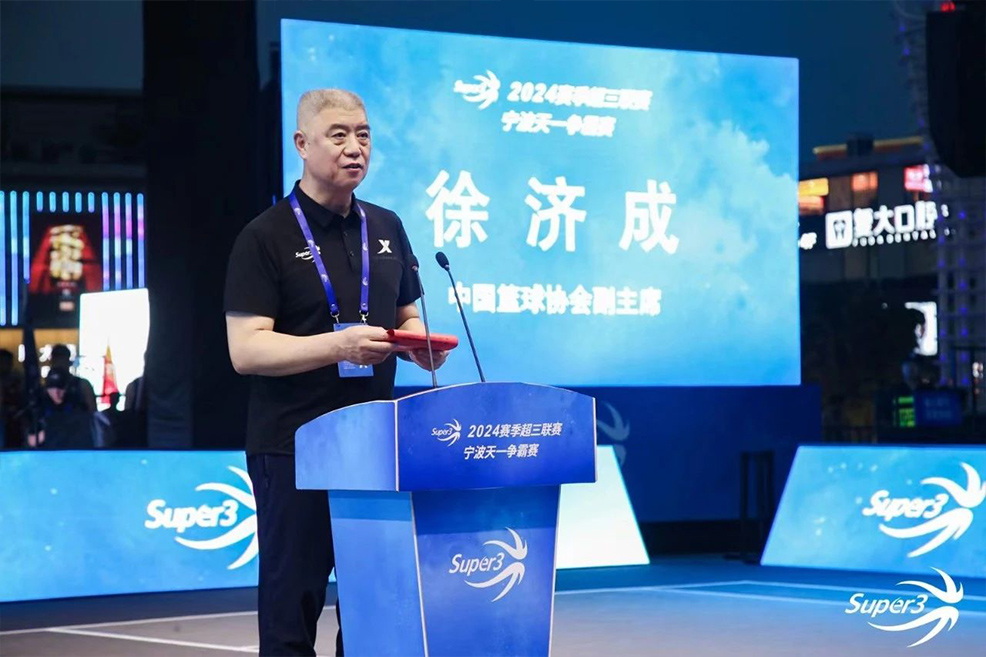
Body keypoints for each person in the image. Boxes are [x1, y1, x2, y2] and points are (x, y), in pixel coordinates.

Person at [224, 88, 448, 657]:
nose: (355, 148)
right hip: (294, 447)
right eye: (339, 135)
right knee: (292, 604)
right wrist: (337, 346)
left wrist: (417, 345)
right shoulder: (265, 235)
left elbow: (406, 314)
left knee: (374, 605)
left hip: (376, 443)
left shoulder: (387, 226)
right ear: (302, 144)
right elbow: (246, 351)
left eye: (364, 135)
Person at [26, 368, 94, 449]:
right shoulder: (40, 407)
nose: (56, 393)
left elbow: (84, 432)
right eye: (51, 389)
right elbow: (32, 441)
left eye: (60, 388)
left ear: (67, 388)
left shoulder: (77, 405)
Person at [49, 344, 97, 413]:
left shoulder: (82, 385)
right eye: (56, 361)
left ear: (69, 362)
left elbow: (93, 413)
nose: (59, 364)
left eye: (62, 360)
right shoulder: (45, 389)